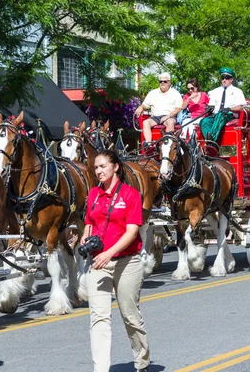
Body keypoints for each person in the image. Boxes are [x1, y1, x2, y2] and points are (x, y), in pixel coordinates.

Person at [80, 149, 150, 372]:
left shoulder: (130, 195)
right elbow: (89, 221)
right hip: (98, 262)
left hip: (126, 262)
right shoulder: (93, 194)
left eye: (103, 166)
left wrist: (108, 253)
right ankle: (101, 369)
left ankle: (142, 361)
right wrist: (84, 236)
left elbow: (131, 232)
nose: (98, 171)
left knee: (130, 317)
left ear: (115, 167)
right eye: (96, 168)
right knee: (99, 317)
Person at [135, 72, 183, 146]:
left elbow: (179, 108)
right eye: (161, 81)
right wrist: (141, 107)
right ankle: (149, 144)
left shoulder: (175, 93)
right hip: (155, 117)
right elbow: (145, 105)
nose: (162, 83)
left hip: (169, 116)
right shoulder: (152, 93)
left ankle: (167, 145)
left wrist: (168, 116)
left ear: (169, 82)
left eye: (165, 81)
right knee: (145, 122)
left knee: (170, 122)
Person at [200, 67, 247, 142]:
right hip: (216, 115)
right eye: (223, 78)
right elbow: (211, 105)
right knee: (204, 121)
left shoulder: (237, 91)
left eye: (227, 78)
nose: (224, 80)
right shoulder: (215, 91)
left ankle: (212, 141)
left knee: (220, 115)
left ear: (231, 80)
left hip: (229, 115)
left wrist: (229, 109)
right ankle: (209, 140)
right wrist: (208, 108)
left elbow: (241, 107)